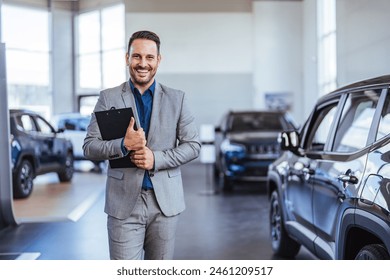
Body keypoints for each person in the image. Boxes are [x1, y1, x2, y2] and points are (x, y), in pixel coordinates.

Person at [83, 30, 201, 260]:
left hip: (165, 204)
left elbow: (193, 145)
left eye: (149, 57)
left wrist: (156, 159)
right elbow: (89, 146)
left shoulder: (178, 99)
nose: (142, 64)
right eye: (137, 56)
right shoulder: (108, 98)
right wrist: (123, 144)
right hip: (123, 203)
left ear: (159, 60)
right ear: (127, 58)